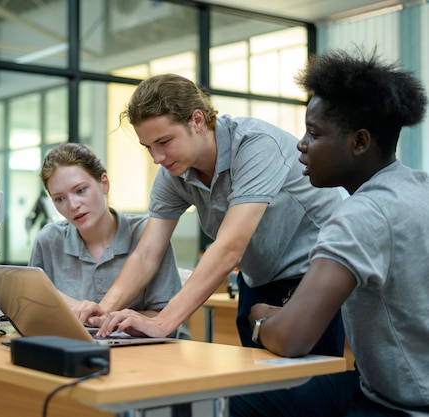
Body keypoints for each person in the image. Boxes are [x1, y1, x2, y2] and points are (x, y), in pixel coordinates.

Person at [80, 72, 345, 358]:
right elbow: (146, 254)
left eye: (164, 142)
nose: (156, 158)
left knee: (310, 386)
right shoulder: (174, 173)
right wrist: (100, 317)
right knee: (258, 383)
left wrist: (163, 322)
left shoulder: (256, 145)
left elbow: (229, 247)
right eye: (149, 148)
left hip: (314, 275)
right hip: (257, 281)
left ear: (197, 120)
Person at [230, 49, 429, 416]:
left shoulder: (360, 214)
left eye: (314, 133)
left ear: (359, 142)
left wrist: (259, 321)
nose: (301, 145)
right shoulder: (419, 187)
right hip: (384, 386)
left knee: (248, 399)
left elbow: (291, 340)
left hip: (401, 405)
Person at [28, 142, 185, 334]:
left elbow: (166, 319)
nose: (73, 205)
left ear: (104, 183)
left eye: (80, 190)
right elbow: (33, 311)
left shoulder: (148, 234)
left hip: (143, 354)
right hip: (71, 351)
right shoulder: (48, 240)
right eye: (59, 199)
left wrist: (119, 322)